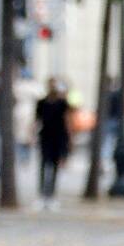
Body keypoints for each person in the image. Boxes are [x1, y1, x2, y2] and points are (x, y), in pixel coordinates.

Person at [34, 78, 72, 211]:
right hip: (45, 137)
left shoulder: (63, 103)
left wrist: (69, 139)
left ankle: (51, 195)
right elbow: (36, 120)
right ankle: (42, 195)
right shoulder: (42, 102)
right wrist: (32, 135)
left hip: (59, 138)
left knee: (55, 167)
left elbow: (68, 121)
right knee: (44, 166)